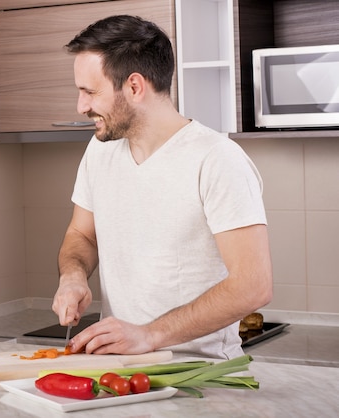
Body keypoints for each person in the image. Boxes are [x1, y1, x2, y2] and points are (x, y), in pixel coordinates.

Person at [52, 15, 273, 359]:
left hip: (201, 376)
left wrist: (150, 335)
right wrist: (73, 277)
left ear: (135, 87)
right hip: (120, 370)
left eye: (90, 92)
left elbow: (253, 285)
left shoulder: (217, 159)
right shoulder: (100, 150)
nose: (81, 106)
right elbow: (82, 236)